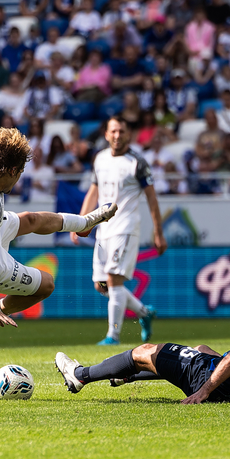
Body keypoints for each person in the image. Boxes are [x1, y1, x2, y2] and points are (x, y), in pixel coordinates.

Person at [0, 127, 119, 339]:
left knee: (31, 219)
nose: (18, 180)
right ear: (12, 170)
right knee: (46, 284)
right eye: (20, 173)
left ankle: (84, 223)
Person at [55, 275, 230, 404]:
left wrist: (204, 391)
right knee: (200, 350)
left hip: (213, 385)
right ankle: (128, 377)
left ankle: (80, 376)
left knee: (146, 351)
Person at [72, 116, 167, 345]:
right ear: (106, 134)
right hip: (103, 230)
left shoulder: (137, 162)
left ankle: (112, 336)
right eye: (113, 131)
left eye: (122, 131)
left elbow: (152, 199)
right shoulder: (100, 159)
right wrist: (80, 223)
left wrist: (158, 231)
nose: (117, 136)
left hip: (125, 227)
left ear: (129, 135)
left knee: (114, 280)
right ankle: (144, 312)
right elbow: (93, 193)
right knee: (101, 285)